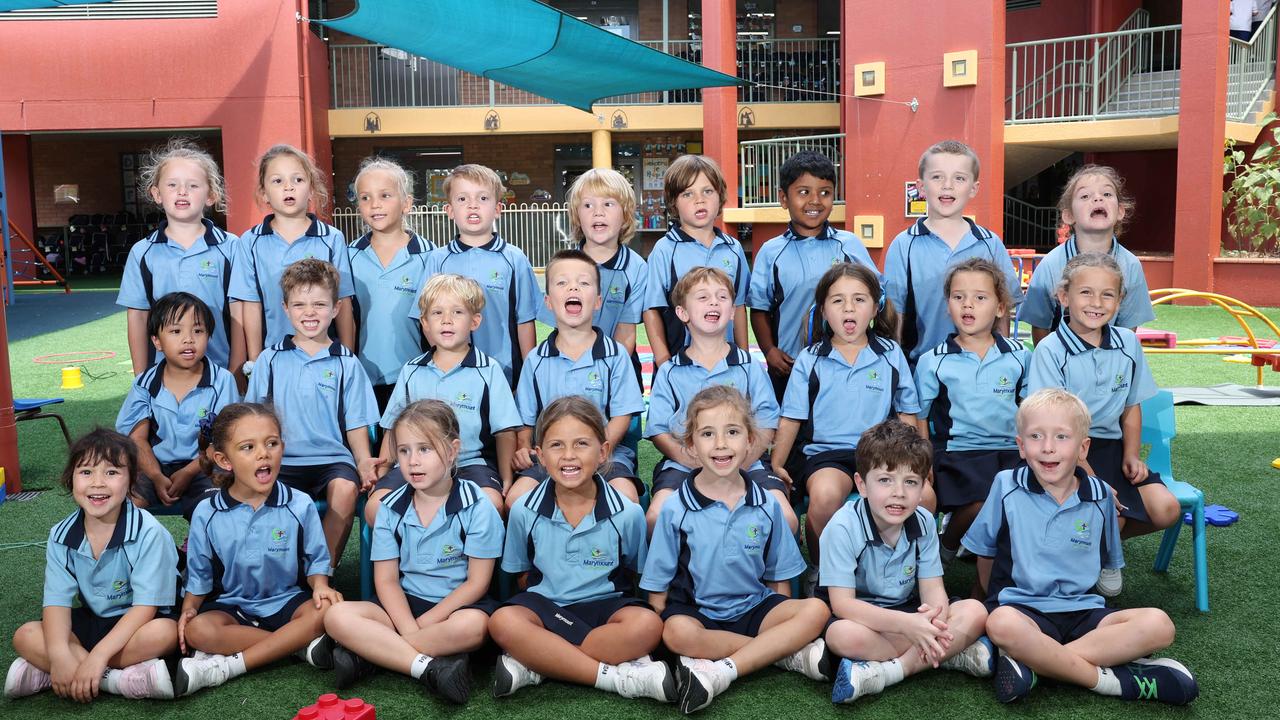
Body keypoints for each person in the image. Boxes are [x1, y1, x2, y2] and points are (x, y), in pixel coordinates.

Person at [963, 389, 1199, 706]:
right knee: (1000, 623)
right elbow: (985, 553)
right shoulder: (1006, 485)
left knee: (1159, 625)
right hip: (1023, 612)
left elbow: (1106, 562)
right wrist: (992, 598)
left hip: (1084, 614)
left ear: (1083, 448)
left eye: (1062, 437)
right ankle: (1111, 681)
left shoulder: (1101, 495)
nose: (1048, 448)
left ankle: (1037, 667)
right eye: (1036, 436)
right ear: (1021, 446)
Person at [643, 385, 830, 715]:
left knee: (816, 610)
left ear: (750, 441)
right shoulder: (675, 508)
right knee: (674, 633)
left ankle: (722, 669)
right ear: (690, 445)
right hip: (699, 613)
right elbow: (658, 589)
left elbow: (779, 581)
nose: (720, 444)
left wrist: (782, 622)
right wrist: (661, 635)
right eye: (707, 434)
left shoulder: (767, 505)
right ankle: (782, 655)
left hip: (754, 608)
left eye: (732, 432)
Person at [488, 396, 674, 703]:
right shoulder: (523, 511)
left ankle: (541, 662)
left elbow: (635, 574)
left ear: (602, 452)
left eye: (581, 444)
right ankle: (616, 678)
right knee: (502, 621)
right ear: (540, 456)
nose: (569, 456)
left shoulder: (627, 513)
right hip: (546, 609)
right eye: (556, 445)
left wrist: (543, 646)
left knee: (648, 626)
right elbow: (521, 574)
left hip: (606, 610)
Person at [323, 401, 503, 704]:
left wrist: (425, 623)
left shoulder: (478, 505)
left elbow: (477, 584)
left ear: (452, 449)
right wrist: (408, 625)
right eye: (404, 451)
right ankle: (429, 667)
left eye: (425, 449)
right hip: (400, 607)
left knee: (476, 627)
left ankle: (375, 655)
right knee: (336, 616)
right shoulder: (390, 507)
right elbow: (387, 581)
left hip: (454, 608)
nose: (412, 461)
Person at [1028, 252, 1181, 596]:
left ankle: (1090, 547)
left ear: (1120, 301)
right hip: (1064, 452)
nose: (1096, 303)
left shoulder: (1128, 344)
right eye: (1086, 293)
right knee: (1112, 513)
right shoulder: (1050, 350)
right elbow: (1051, 423)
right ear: (1064, 297)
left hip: (1111, 450)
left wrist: (1132, 455)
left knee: (1166, 509)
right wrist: (1089, 477)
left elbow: (1131, 406)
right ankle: (1098, 555)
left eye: (1107, 294)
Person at [822, 420, 993, 705]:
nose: (898, 492)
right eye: (885, 480)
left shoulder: (924, 521)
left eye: (910, 482)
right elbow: (843, 605)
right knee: (841, 636)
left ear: (924, 485)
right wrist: (909, 626)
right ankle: (952, 655)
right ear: (862, 484)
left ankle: (890, 671)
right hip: (864, 619)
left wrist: (933, 622)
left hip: (912, 614)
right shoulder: (842, 527)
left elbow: (933, 590)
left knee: (975, 611)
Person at [175, 403, 339, 696]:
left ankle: (230, 666)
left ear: (282, 448)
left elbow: (316, 561)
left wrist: (320, 585)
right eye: (248, 447)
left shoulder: (300, 504)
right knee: (197, 630)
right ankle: (294, 646)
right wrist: (189, 609)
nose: (263, 453)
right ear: (224, 460)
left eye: (272, 443)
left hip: (287, 601)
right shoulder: (206, 512)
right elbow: (199, 576)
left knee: (327, 610)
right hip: (232, 607)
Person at [6, 430, 178, 702]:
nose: (98, 483)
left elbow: (145, 608)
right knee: (25, 635)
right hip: (95, 619)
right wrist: (60, 655)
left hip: (138, 622)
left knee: (165, 633)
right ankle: (115, 679)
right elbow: (56, 604)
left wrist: (97, 657)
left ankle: (66, 673)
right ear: (70, 479)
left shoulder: (149, 532)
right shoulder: (60, 535)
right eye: (86, 472)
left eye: (111, 473)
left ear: (132, 480)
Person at [772, 263, 920, 575]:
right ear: (823, 310)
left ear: (875, 308)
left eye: (859, 299)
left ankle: (892, 573)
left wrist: (919, 462)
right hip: (826, 455)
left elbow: (908, 412)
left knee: (925, 497)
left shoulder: (891, 354)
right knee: (824, 496)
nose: (848, 308)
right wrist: (776, 464)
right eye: (837, 300)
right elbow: (790, 419)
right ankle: (822, 571)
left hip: (882, 452)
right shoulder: (810, 359)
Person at [245, 259, 379, 567]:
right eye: (300, 305)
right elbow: (253, 421)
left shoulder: (347, 363)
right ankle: (281, 574)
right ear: (286, 308)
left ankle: (321, 574)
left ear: (335, 309)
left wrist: (362, 462)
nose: (309, 313)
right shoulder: (269, 360)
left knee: (346, 490)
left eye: (319, 304)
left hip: (332, 461)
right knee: (257, 494)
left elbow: (357, 423)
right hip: (282, 460)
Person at [645, 266, 797, 533]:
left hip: (746, 463)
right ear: (682, 313)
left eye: (722, 297)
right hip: (685, 463)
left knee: (786, 517)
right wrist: (689, 460)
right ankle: (664, 574)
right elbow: (658, 430)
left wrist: (742, 460)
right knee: (656, 516)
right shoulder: (670, 371)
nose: (714, 302)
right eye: (702, 297)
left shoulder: (749, 367)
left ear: (731, 313)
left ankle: (776, 574)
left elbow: (767, 422)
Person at [366, 274, 520, 520]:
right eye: (437, 313)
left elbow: (504, 432)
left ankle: (473, 558)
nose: (446, 320)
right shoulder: (411, 370)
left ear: (475, 321)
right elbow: (392, 430)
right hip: (413, 465)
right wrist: (384, 472)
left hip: (469, 464)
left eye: (457, 312)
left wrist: (505, 479)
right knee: (375, 508)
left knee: (490, 505)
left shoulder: (489, 371)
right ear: (424, 322)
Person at [509, 249, 645, 508]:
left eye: (583, 283)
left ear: (597, 301)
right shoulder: (536, 360)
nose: (573, 288)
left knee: (626, 499)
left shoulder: (615, 355)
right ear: (548, 302)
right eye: (562, 283)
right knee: (516, 500)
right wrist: (524, 446)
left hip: (607, 456)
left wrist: (595, 452)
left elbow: (622, 416)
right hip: (549, 458)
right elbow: (526, 421)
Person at [914, 258, 1028, 560]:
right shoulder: (933, 361)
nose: (968, 305)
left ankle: (995, 576)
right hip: (957, 454)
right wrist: (924, 461)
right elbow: (920, 417)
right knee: (982, 501)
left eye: (980, 297)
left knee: (1019, 502)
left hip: (1010, 452)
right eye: (958, 297)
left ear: (1000, 308)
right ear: (948, 305)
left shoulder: (1019, 356)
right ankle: (948, 544)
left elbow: (1031, 412)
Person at [748, 150, 879, 400]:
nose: (815, 201)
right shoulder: (771, 251)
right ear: (784, 199)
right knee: (792, 432)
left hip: (844, 363)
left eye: (825, 192)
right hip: (790, 365)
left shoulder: (849, 245)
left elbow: (877, 297)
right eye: (804, 192)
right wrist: (769, 351)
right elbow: (760, 309)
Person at [884, 140, 1022, 364]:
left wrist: (1001, 364)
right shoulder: (903, 245)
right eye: (937, 177)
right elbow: (894, 315)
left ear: (974, 188)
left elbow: (1002, 311)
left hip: (980, 368)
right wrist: (896, 371)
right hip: (920, 371)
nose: (947, 185)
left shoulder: (990, 243)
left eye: (959, 178)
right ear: (920, 187)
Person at [409, 163, 540, 384]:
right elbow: (426, 320)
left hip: (504, 374)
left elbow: (525, 321)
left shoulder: (514, 258)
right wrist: (443, 361)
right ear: (449, 210)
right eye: (462, 199)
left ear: (498, 209)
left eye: (482, 198)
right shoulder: (437, 259)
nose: (473, 206)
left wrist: (529, 376)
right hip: (451, 374)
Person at [118, 138, 240, 373]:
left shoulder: (231, 247)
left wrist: (236, 371)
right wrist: (141, 377)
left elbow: (240, 316)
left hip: (221, 373)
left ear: (211, 196)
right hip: (164, 377)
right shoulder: (142, 252)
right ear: (157, 194)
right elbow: (138, 318)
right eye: (172, 185)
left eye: (193, 186)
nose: (182, 191)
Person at [115, 292, 239, 519]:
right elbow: (137, 438)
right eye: (175, 331)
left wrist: (188, 472)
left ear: (208, 337)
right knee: (124, 502)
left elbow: (225, 438)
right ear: (157, 341)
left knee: (213, 505)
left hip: (205, 466)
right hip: (154, 466)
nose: (188, 339)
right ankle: (141, 550)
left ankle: (198, 547)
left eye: (198, 331)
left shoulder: (222, 380)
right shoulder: (144, 383)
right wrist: (155, 476)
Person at [231, 144, 355, 368]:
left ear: (311, 190)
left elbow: (344, 302)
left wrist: (347, 356)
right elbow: (250, 305)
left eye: (298, 180)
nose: (288, 187)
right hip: (273, 359)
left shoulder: (331, 238)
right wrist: (256, 362)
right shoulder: (250, 242)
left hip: (324, 359)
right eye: (277, 181)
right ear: (263, 192)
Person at [1022, 164, 1155, 345]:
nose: (1098, 198)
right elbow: (1039, 325)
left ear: (1120, 211)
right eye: (1085, 196)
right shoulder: (1051, 264)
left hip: (1109, 363)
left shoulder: (1130, 265)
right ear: (1068, 216)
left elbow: (1128, 328)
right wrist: (1049, 368)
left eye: (1107, 194)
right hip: (1061, 365)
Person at [643, 155, 750, 368]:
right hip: (679, 366)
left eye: (707, 191)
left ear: (720, 196)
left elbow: (738, 307)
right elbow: (651, 309)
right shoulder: (665, 250)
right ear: (674, 202)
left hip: (725, 365)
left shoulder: (733, 249)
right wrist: (664, 361)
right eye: (688, 193)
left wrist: (744, 358)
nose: (699, 200)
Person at [347, 156, 432, 413]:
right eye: (365, 197)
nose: (375, 205)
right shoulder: (347, 257)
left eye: (385, 196)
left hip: (414, 379)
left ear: (406, 204)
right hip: (361, 380)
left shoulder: (429, 256)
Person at [537, 168, 648, 360]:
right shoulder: (562, 265)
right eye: (588, 205)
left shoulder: (636, 268)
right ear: (576, 215)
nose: (598, 212)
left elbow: (626, 332)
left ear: (626, 214)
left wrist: (608, 371)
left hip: (616, 368)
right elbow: (560, 328)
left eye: (608, 204)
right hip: (569, 366)